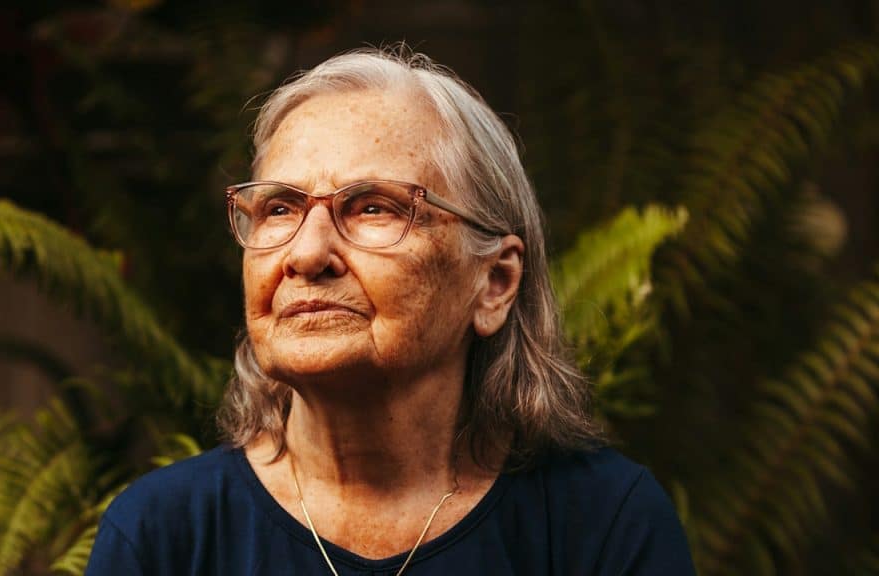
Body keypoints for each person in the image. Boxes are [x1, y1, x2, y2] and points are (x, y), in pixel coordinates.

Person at [85, 47, 695, 575]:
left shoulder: (605, 525)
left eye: (373, 207)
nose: (307, 253)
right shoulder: (163, 536)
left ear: (494, 283)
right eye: (278, 209)